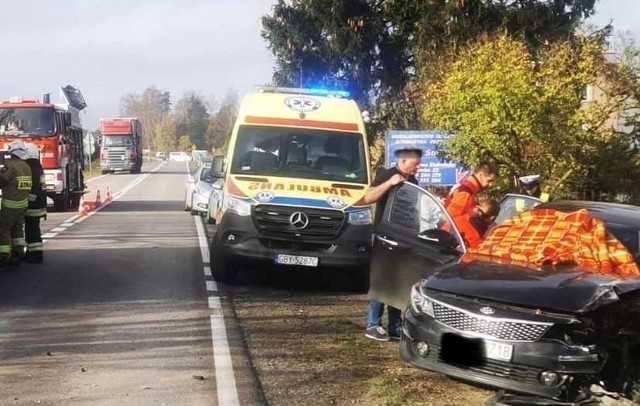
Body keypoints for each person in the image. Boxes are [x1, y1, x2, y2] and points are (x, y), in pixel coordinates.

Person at [363, 146, 422, 342]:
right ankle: (373, 324)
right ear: (403, 161)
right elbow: (368, 197)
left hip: (404, 238)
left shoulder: (413, 181)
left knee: (399, 282)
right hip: (384, 236)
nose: (417, 168)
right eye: (415, 164)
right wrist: (389, 183)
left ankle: (395, 325)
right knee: (383, 280)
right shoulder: (386, 175)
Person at [0, 141, 32, 266]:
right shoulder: (26, 166)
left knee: (3, 229)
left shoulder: (10, 165)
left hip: (10, 204)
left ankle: (3, 256)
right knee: (18, 231)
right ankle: (18, 254)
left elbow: (2, 180)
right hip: (22, 204)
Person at [23, 143, 46, 263]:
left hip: (33, 206)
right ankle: (31, 252)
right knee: (31, 230)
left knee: (33, 231)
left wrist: (27, 202)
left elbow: (35, 190)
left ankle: (36, 255)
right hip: (38, 205)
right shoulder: (37, 167)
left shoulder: (33, 169)